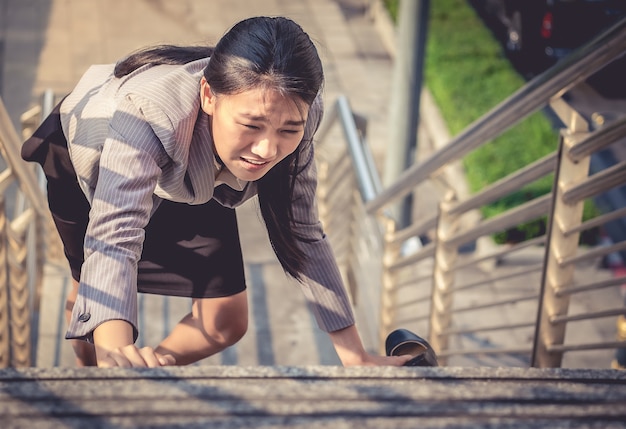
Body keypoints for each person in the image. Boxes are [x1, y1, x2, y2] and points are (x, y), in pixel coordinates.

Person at [22, 16, 412, 368]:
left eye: (288, 131)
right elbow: (114, 240)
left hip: (207, 164)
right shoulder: (148, 113)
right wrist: (113, 360)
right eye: (252, 124)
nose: (267, 150)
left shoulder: (296, 115)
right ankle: (93, 361)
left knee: (227, 321)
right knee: (95, 309)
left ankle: (151, 367)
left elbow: (303, 233)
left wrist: (356, 358)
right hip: (96, 159)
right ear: (209, 96)